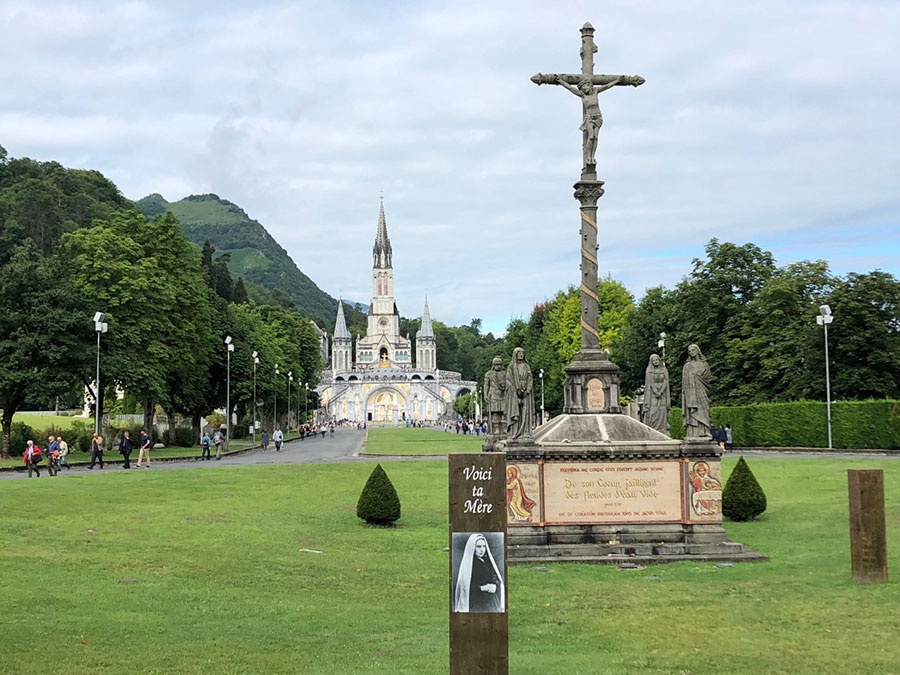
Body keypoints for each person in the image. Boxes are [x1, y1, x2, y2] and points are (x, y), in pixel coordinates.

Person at [453, 533, 504, 613]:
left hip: (491, 601)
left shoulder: (487, 561)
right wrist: (482, 588)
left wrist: (495, 586)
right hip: (477, 603)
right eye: (479, 547)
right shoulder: (469, 565)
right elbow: (465, 588)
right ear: (473, 547)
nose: (482, 550)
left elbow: (496, 578)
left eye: (484, 547)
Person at [681, 344, 713, 439]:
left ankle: (705, 430)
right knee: (691, 411)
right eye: (689, 351)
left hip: (701, 390)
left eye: (693, 350)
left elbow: (708, 379)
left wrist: (697, 377)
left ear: (698, 350)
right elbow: (684, 381)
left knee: (704, 410)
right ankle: (693, 432)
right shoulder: (687, 366)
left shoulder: (704, 364)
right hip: (690, 392)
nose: (691, 352)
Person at [504, 347, 535, 441]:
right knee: (515, 412)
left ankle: (525, 433)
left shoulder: (526, 366)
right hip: (514, 393)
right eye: (519, 353)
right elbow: (508, 380)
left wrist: (527, 390)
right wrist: (515, 390)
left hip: (526, 392)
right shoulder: (511, 367)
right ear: (515, 355)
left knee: (525, 413)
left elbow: (530, 379)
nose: (521, 355)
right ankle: (515, 432)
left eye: (522, 353)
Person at [643, 354, 670, 435]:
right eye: (653, 360)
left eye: (657, 360)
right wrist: (655, 391)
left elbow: (666, 381)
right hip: (652, 394)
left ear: (659, 360)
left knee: (662, 411)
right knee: (653, 412)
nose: (655, 362)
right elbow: (649, 382)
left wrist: (661, 391)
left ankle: (662, 429)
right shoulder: (649, 370)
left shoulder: (664, 370)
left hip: (662, 394)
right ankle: (653, 429)